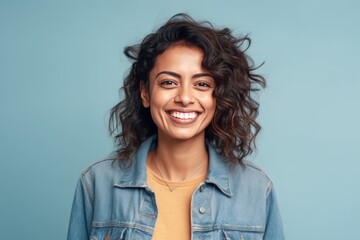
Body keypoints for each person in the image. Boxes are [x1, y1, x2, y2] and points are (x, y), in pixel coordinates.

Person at [67, 13, 284, 240]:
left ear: (218, 97)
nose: (185, 97)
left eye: (202, 84)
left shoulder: (257, 189)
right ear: (145, 93)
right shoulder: (97, 182)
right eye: (169, 82)